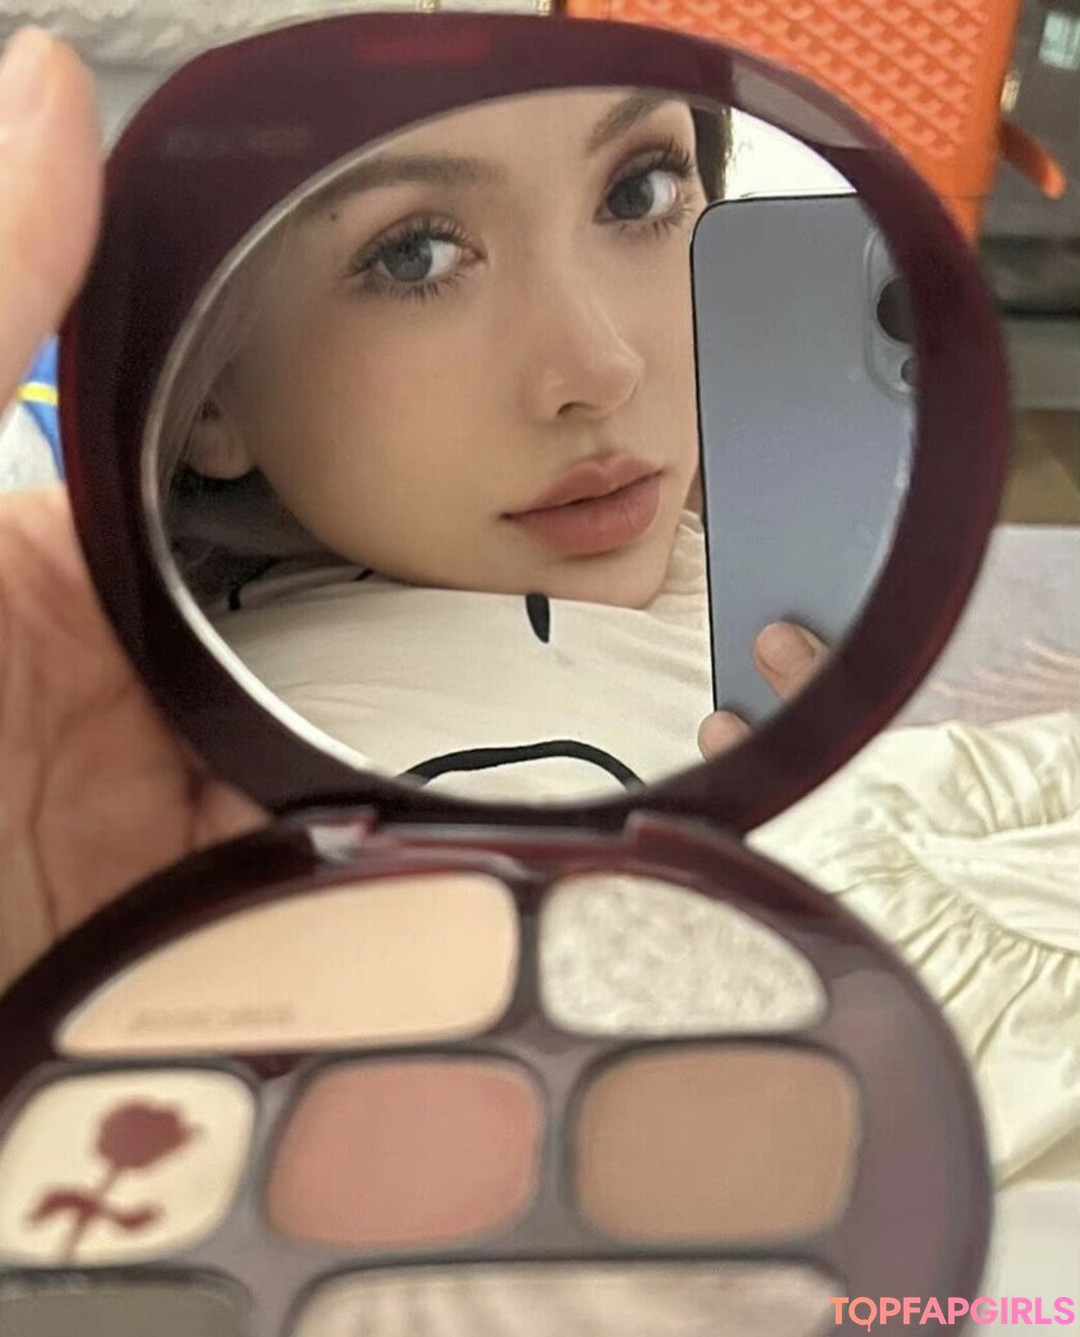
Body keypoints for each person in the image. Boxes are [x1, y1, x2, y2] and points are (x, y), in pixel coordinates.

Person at [0, 29, 825, 985]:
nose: (599, 370)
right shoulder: (332, 771)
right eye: (413, 258)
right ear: (210, 395)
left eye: (638, 193)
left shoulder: (796, 539)